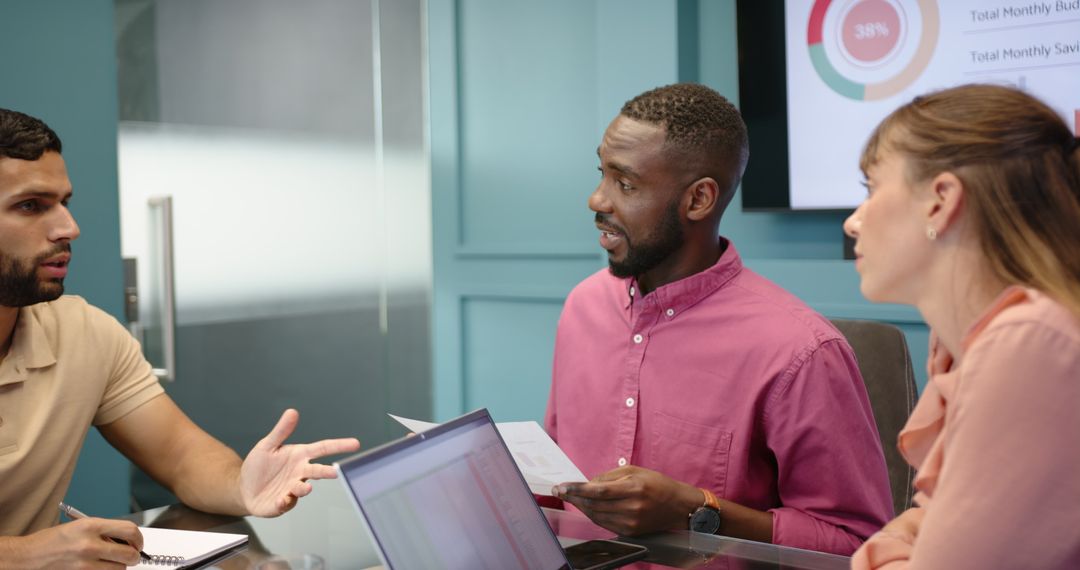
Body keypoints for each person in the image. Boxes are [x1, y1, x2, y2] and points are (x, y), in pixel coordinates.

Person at [0, 108, 361, 568]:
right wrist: (30, 553)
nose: (69, 228)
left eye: (63, 202)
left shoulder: (85, 333)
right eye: (31, 206)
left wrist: (241, 486)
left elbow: (180, 455)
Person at [545, 83, 893, 555]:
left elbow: (856, 546)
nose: (597, 200)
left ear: (699, 200)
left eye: (625, 184)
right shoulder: (583, 306)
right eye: (602, 175)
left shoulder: (801, 351)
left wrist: (694, 512)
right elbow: (556, 475)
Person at [846, 84, 1080, 569]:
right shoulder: (965, 345)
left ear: (941, 201)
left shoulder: (1029, 343)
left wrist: (883, 549)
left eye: (871, 189)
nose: (853, 222)